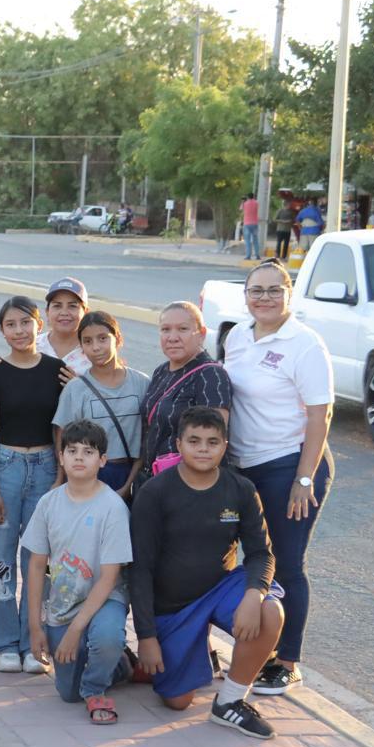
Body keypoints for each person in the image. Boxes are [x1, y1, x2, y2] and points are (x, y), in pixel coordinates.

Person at [130, 407, 284, 739]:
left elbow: (261, 554)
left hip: (219, 589)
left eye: (212, 442)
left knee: (270, 609)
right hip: (172, 607)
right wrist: (146, 636)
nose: (203, 449)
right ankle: (197, 648)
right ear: (179, 444)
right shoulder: (155, 492)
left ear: (224, 446)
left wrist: (254, 594)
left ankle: (229, 703)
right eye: (194, 441)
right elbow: (139, 569)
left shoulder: (240, 489)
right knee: (177, 700)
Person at [224, 260, 333, 696]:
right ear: (246, 295)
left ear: (289, 293)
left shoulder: (305, 344)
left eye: (274, 290)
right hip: (242, 466)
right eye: (256, 290)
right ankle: (259, 645)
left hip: (289, 465)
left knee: (286, 563)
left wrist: (303, 480)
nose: (264, 298)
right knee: (250, 560)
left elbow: (320, 415)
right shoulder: (236, 336)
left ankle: (287, 660)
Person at [25, 420, 133, 724]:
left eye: (88, 451)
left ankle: (98, 686)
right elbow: (36, 565)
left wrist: (74, 632)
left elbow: (110, 577)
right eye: (71, 450)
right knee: (68, 693)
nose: (79, 457)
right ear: (60, 457)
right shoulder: (49, 503)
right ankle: (120, 665)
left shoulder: (112, 507)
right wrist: (35, 626)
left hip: (104, 597)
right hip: (64, 602)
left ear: (102, 460)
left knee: (106, 637)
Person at [0, 296, 65, 674]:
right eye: (11, 325)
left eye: (25, 323)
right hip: (6, 466)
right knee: (0, 557)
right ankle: (4, 643)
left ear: (39, 325)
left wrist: (61, 478)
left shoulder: (56, 371)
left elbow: (62, 427)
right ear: (1, 330)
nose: (19, 331)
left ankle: (34, 642)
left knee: (40, 560)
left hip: (47, 467)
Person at [136, 302, 231, 495]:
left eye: (183, 329)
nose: (172, 337)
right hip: (151, 481)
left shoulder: (211, 375)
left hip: (186, 487)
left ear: (201, 333)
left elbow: (212, 441)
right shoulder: (161, 371)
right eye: (165, 329)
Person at [52, 311, 149, 499]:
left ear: (118, 339)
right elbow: (62, 437)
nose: (96, 347)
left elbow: (147, 436)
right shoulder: (75, 389)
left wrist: (128, 485)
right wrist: (61, 478)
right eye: (87, 341)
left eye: (103, 338)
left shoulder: (142, 383)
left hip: (132, 474)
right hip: (89, 476)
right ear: (81, 347)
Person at [39, 278, 90, 376]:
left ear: (85, 312)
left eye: (72, 306)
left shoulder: (94, 350)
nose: (64, 313)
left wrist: (78, 387)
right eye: (57, 306)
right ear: (47, 311)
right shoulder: (33, 346)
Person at [241, 193, 261, 261]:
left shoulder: (245, 203)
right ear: (253, 196)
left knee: (248, 241)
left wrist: (243, 201)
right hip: (255, 223)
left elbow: (241, 209)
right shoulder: (256, 203)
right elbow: (257, 208)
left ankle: (248, 256)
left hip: (247, 223)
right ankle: (257, 255)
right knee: (255, 240)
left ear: (247, 197)